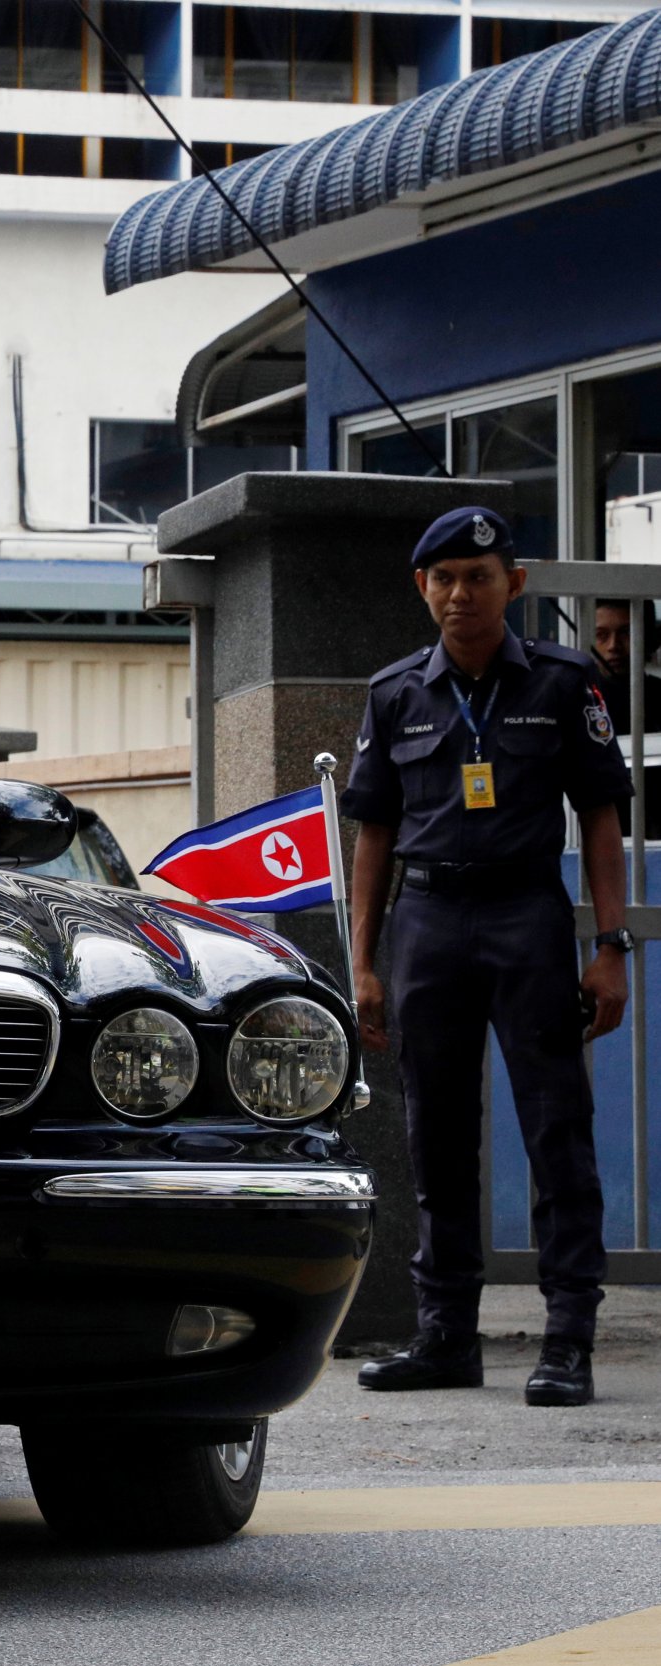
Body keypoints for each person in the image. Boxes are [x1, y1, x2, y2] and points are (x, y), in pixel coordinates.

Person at [343, 505, 635, 1409]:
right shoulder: (395, 693)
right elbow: (374, 836)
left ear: (515, 583)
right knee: (436, 1131)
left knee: (557, 1128)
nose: (461, 594)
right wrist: (362, 961)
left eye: (479, 576)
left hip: (525, 918)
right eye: (444, 578)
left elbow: (599, 816)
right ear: (422, 587)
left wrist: (611, 945)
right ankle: (445, 1337)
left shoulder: (564, 681)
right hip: (427, 923)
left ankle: (568, 1340)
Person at [589, 597, 661, 736]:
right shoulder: (575, 700)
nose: (613, 646)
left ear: (651, 638)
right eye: (601, 635)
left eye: (626, 633)